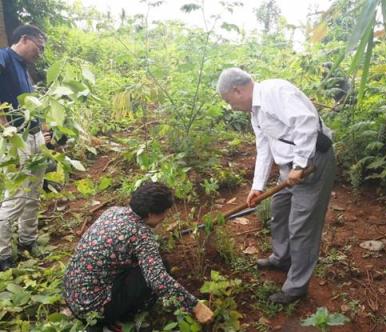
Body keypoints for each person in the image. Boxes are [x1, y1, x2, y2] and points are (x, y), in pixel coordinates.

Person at [216, 68, 336, 304]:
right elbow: (264, 148)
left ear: (237, 90)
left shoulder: (275, 91)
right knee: (279, 212)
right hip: (289, 169)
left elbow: (306, 121)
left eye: (229, 101)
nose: (231, 107)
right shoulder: (255, 112)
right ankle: (282, 258)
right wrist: (257, 186)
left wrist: (300, 165)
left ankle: (296, 287)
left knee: (302, 227)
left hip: (311, 164)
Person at [63, 181, 214, 331]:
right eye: (164, 212)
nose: (165, 216)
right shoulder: (141, 235)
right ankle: (120, 319)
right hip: (92, 310)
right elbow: (158, 280)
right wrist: (196, 306)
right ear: (150, 214)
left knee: (147, 265)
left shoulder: (114, 211)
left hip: (72, 294)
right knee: (161, 268)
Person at [0, 25, 50, 271]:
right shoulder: (4, 57)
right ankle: (3, 254)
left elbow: (33, 104)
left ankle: (28, 240)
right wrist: (4, 125)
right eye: (39, 47)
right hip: (15, 139)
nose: (40, 53)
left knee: (33, 193)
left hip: (34, 136)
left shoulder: (24, 69)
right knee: (16, 197)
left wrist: (43, 128)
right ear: (24, 39)